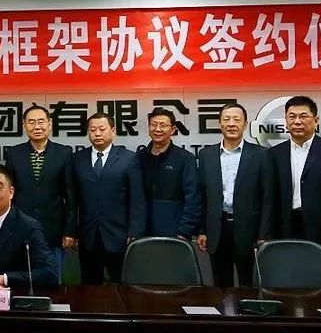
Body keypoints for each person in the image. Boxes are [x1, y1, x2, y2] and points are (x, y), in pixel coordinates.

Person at [268, 95, 321, 284]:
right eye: (292, 116)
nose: (297, 121)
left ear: (316, 120)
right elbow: (269, 198)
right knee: (287, 281)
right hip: (285, 229)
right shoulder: (274, 154)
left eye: (303, 116)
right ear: (286, 121)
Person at [197, 102, 273, 287]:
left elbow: (268, 198)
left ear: (245, 124)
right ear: (219, 123)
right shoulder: (206, 155)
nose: (231, 124)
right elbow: (202, 196)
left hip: (249, 231)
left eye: (236, 120)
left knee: (249, 284)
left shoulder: (261, 155)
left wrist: (264, 234)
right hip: (217, 229)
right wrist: (202, 230)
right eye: (226, 119)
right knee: (221, 285)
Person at [3, 105, 78, 280]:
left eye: (41, 121)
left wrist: (70, 231)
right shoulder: (14, 153)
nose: (37, 126)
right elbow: (8, 194)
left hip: (53, 231)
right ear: (24, 126)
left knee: (53, 279)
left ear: (49, 124)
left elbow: (71, 197)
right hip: (19, 229)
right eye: (31, 122)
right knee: (20, 280)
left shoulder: (64, 153)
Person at [72, 112, 144, 284]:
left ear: (113, 131)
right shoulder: (77, 159)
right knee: (89, 287)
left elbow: (137, 199)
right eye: (92, 130)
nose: (97, 134)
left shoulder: (129, 158)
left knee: (122, 285)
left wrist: (135, 231)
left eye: (102, 129)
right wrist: (72, 231)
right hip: (88, 236)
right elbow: (73, 199)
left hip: (119, 235)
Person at [136, 108, 202, 239]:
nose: (158, 129)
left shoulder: (185, 158)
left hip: (175, 233)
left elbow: (193, 198)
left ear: (172, 129)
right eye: (154, 124)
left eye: (163, 125)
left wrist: (185, 231)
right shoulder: (138, 158)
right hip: (143, 232)